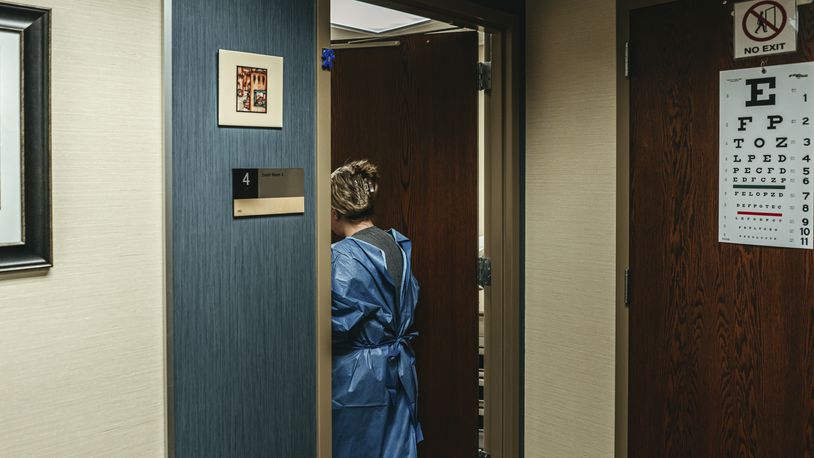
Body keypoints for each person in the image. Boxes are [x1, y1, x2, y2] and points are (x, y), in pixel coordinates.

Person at [330, 160, 423, 458]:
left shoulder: (340, 257)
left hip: (358, 378)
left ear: (334, 212)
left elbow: (333, 325)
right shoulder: (394, 243)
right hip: (399, 369)